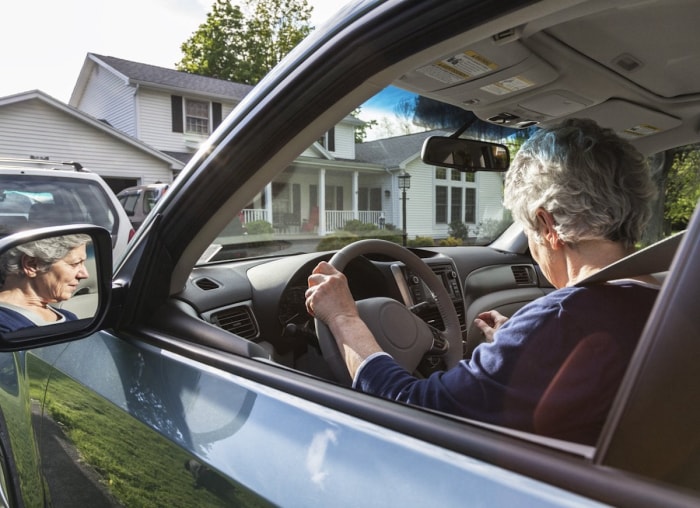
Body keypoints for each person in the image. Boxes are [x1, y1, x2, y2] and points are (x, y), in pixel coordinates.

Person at [305, 118, 660, 444]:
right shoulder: (668, 298)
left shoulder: (564, 321)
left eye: (530, 233)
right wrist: (516, 344)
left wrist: (343, 318)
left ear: (548, 227)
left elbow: (411, 410)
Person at [0, 234, 91, 333]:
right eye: (75, 264)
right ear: (32, 265)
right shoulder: (5, 326)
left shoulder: (69, 317)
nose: (85, 275)